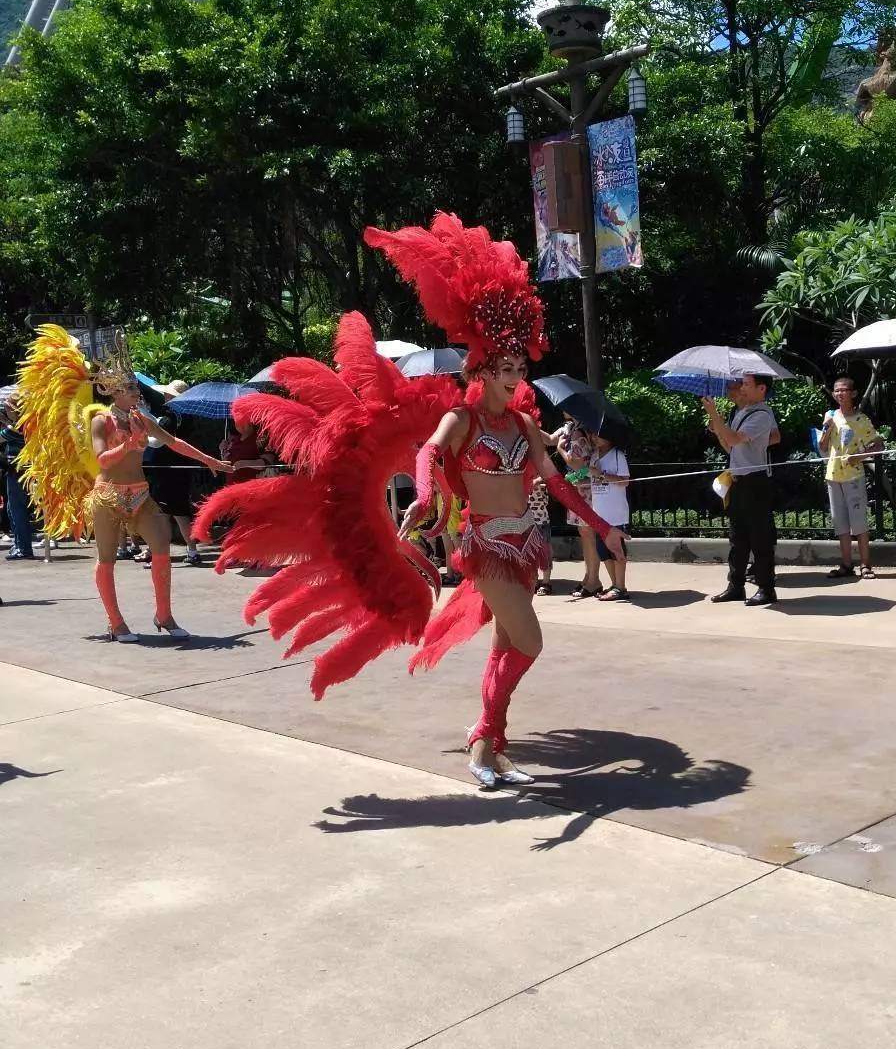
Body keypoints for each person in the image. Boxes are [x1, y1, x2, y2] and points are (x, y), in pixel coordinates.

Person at [197, 212, 627, 792]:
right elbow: (427, 455)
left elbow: (555, 481)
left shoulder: (525, 424)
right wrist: (425, 492)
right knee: (530, 641)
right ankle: (483, 732)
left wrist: (602, 526)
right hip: (485, 546)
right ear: (481, 368)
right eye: (505, 367)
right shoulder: (462, 418)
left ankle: (489, 749)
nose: (515, 374)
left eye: (519, 366)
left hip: (525, 545)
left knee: (505, 645)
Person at [15, 328, 229, 640]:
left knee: (161, 550)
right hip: (107, 496)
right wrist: (127, 446)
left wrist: (209, 459)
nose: (136, 392)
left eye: (135, 387)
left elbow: (174, 442)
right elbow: (102, 459)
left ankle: (164, 616)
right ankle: (116, 622)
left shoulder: (142, 418)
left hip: (141, 495)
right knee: (107, 559)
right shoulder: (101, 421)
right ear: (114, 391)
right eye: (130, 387)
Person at [704, 374, 779, 607]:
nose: (741, 388)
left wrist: (715, 414)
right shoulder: (741, 413)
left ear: (761, 388)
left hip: (754, 481)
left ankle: (766, 588)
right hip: (737, 479)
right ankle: (735, 585)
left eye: (746, 384)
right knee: (737, 538)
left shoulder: (761, 414)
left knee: (760, 537)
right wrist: (717, 425)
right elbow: (728, 446)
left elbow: (735, 440)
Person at [819, 376, 884, 580]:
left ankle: (866, 565)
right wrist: (826, 429)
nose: (839, 394)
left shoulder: (860, 419)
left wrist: (859, 456)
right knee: (840, 523)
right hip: (833, 475)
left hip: (853, 476)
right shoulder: (830, 415)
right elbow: (822, 446)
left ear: (853, 393)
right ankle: (846, 565)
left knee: (859, 523)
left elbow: (878, 445)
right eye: (836, 390)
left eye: (844, 390)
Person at [551, 416, 602, 598]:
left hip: (585, 488)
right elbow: (548, 439)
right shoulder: (571, 427)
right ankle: (589, 577)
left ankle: (594, 580)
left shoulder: (580, 431)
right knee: (585, 534)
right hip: (579, 486)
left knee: (588, 534)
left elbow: (574, 461)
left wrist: (560, 450)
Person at [590, 431, 631, 600]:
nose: (595, 438)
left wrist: (602, 474)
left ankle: (621, 586)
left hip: (615, 513)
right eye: (593, 435)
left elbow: (625, 481)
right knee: (603, 551)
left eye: (599, 434)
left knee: (616, 550)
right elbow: (594, 480)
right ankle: (614, 584)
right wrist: (582, 482)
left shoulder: (617, 455)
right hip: (598, 512)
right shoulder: (594, 456)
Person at [1, 396, 36, 561]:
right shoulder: (25, 425)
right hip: (21, 472)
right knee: (12, 509)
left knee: (17, 511)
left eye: (8, 408)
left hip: (18, 473)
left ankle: (23, 547)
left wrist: (6, 424)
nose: (6, 411)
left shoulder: (15, 428)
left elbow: (2, 436)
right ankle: (19, 544)